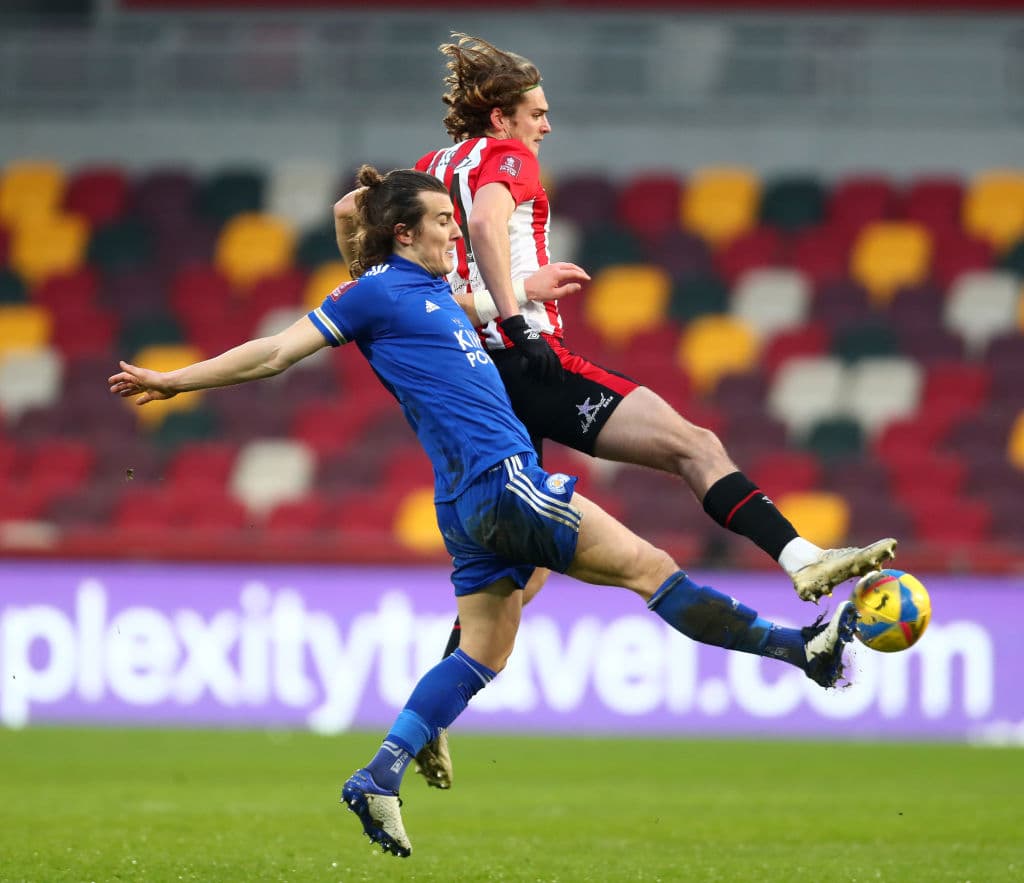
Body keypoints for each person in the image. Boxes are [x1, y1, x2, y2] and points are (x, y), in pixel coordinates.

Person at [113, 166, 860, 859]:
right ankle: (804, 650)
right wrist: (176, 382)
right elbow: (277, 352)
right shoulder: (374, 292)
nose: (456, 233)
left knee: (483, 651)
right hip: (506, 482)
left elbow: (362, 216)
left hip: (464, 503)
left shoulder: (439, 293)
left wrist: (516, 273)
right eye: (442, 220)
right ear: (403, 234)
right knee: (651, 570)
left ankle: (379, 775)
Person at [334, 34, 897, 789]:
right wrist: (512, 314)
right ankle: (803, 559)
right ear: (500, 117)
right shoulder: (506, 160)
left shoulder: (428, 172)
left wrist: (385, 291)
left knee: (519, 579)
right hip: (524, 358)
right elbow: (492, 220)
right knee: (692, 443)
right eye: (537, 112)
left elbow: (349, 207)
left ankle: (429, 718)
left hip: (469, 379)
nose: (546, 126)